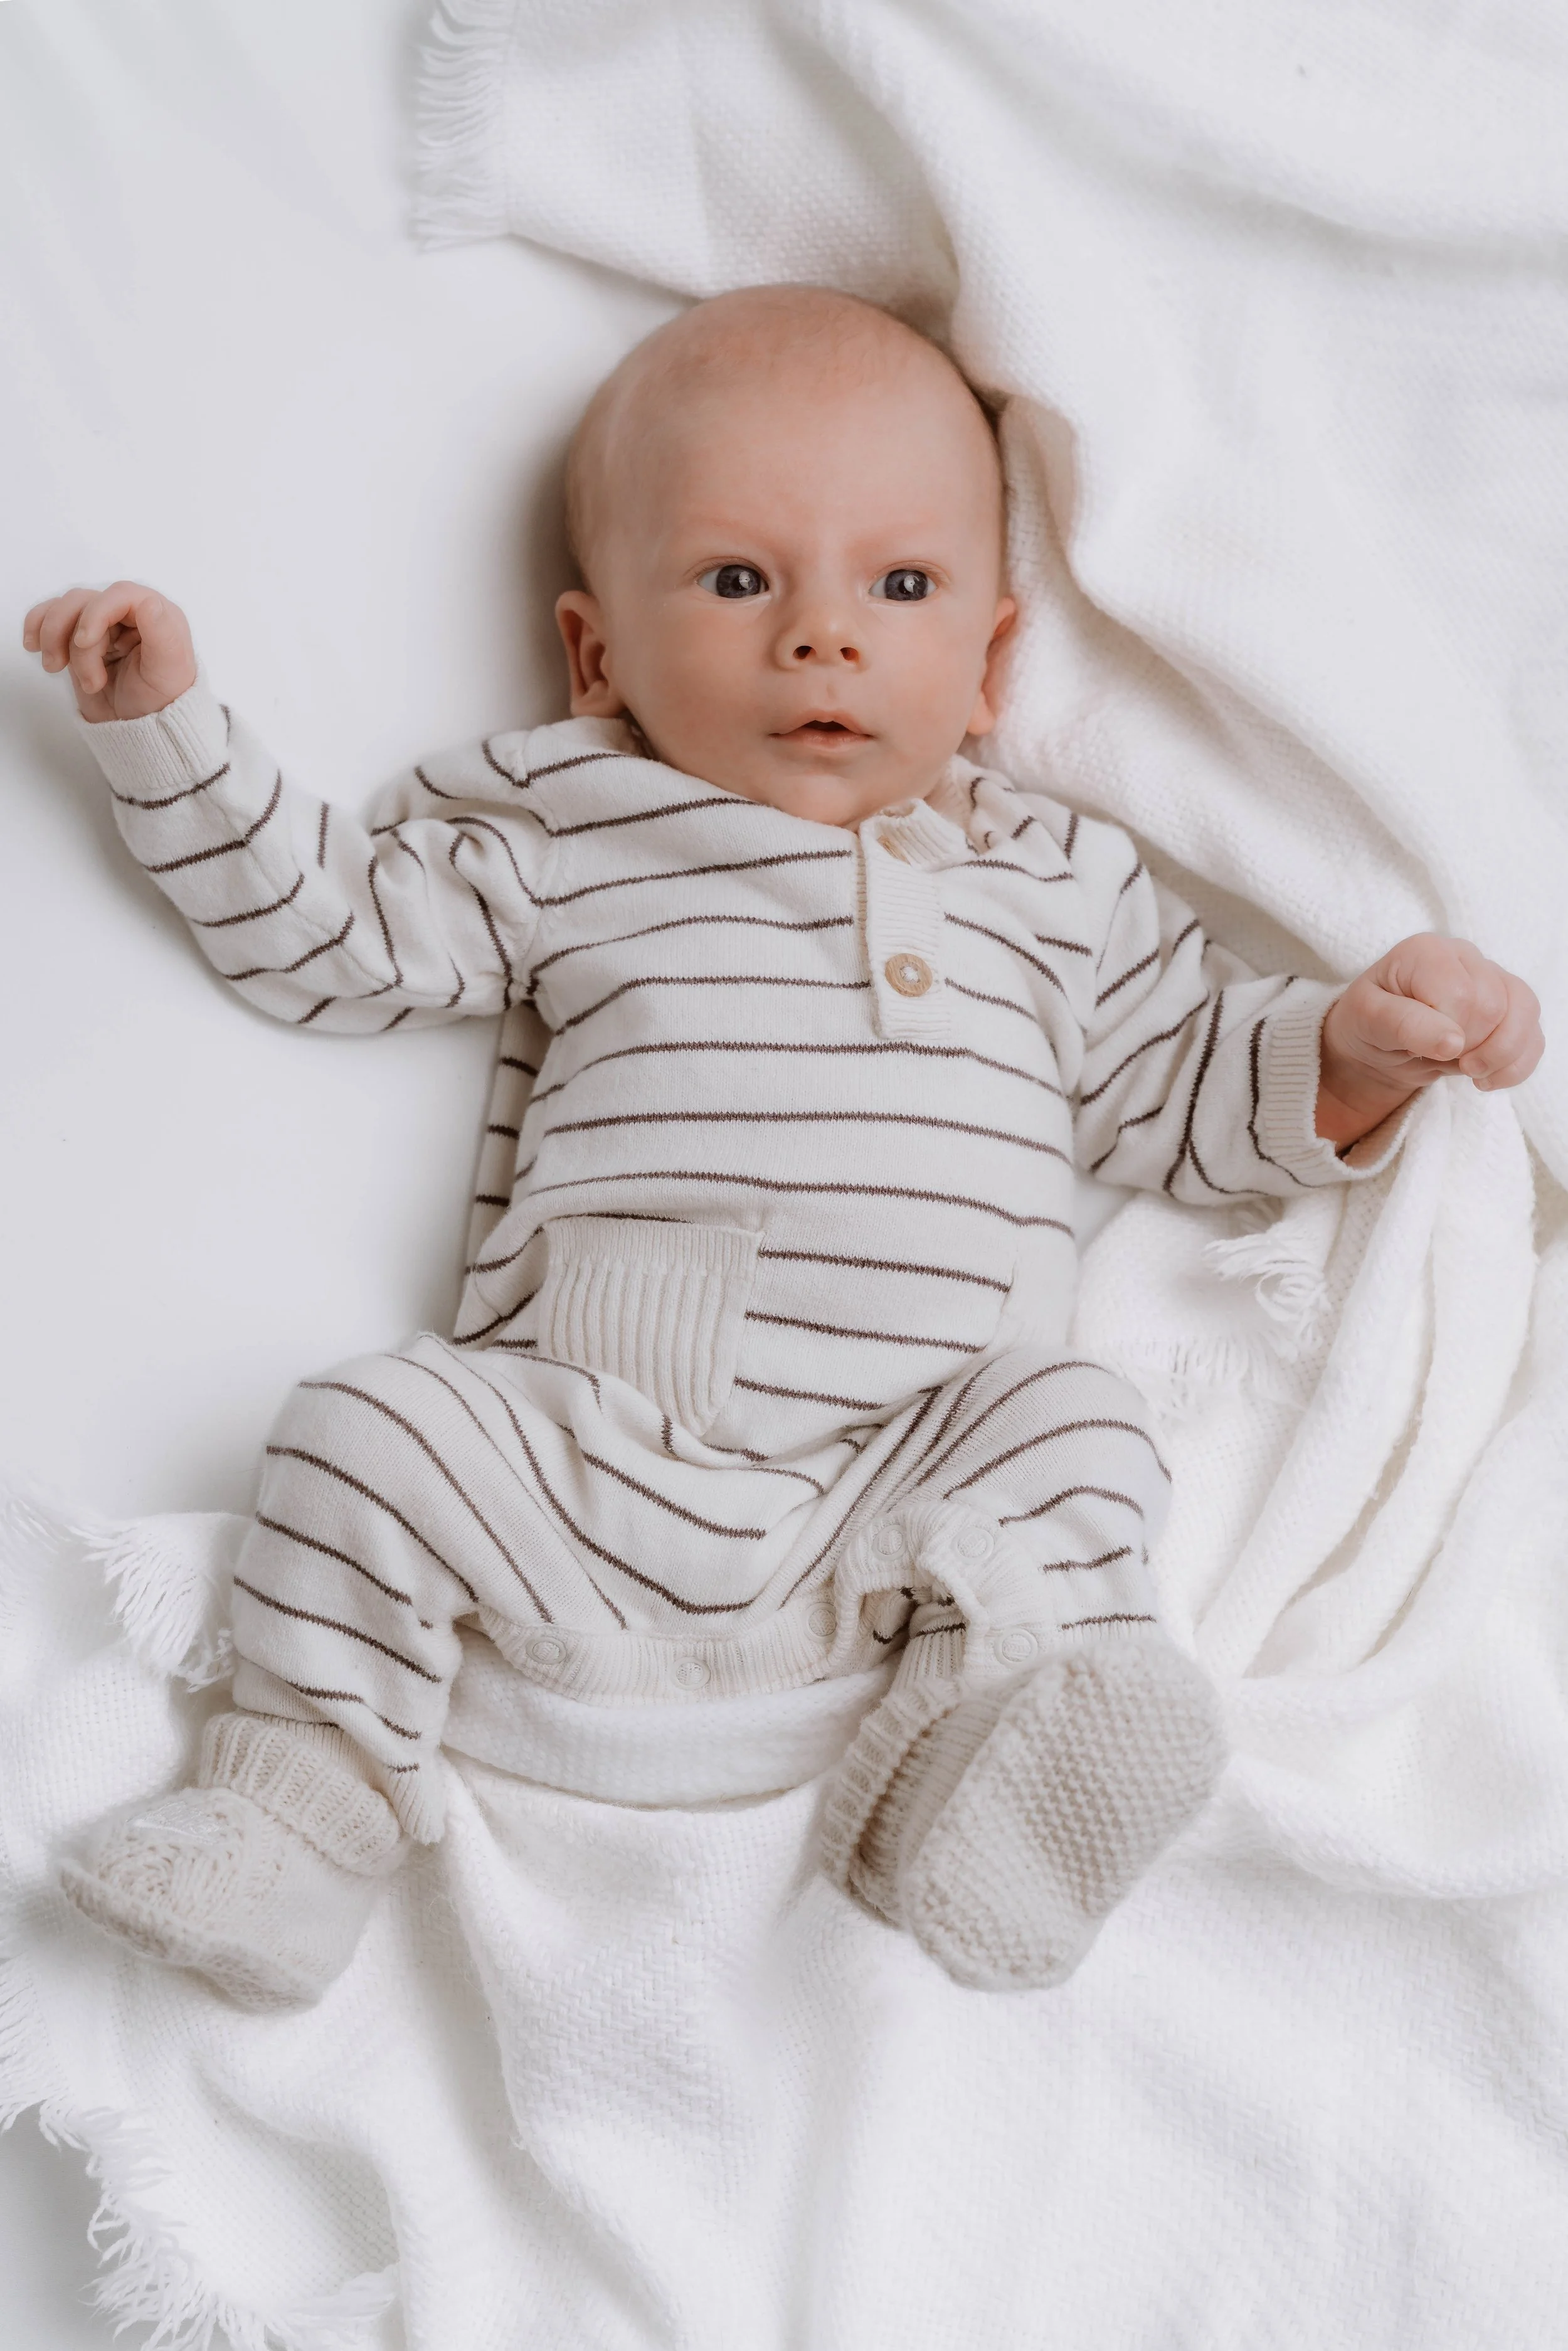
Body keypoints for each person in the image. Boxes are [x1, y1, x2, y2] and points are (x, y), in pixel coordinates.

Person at [22, 285, 1543, 2007]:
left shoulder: (1055, 885)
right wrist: (166, 732)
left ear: (990, 665)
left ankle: (997, 1768)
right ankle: (294, 1814)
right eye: (740, 580)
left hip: (909, 1492)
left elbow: (1188, 1091)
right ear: (598, 658)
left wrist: (1353, 1054)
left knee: (1076, 1424)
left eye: (899, 588)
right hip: (595, 1445)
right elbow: (333, 936)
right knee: (366, 1431)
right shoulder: (574, 822)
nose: (822, 635)